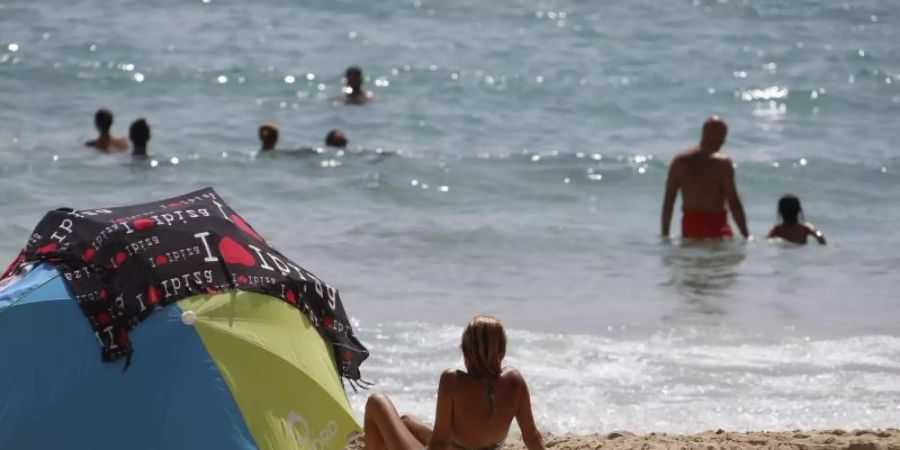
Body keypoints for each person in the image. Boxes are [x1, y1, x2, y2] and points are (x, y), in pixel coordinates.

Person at [364, 316, 545, 450]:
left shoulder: (452, 381)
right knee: (407, 420)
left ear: (465, 354)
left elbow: (439, 443)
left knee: (377, 402)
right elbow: (532, 437)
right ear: (503, 351)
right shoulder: (515, 381)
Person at [661, 117, 749, 240]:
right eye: (723, 136)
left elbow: (669, 201)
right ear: (716, 136)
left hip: (690, 227)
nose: (724, 141)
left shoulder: (680, 162)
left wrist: (665, 235)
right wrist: (746, 235)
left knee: (694, 257)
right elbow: (733, 202)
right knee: (721, 257)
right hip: (717, 225)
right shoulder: (722, 163)